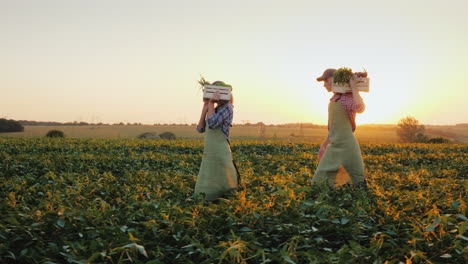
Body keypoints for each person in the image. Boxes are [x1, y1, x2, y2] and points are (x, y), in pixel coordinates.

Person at [312, 68, 367, 187]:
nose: (324, 85)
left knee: (356, 180)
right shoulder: (334, 99)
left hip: (347, 146)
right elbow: (333, 127)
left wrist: (354, 89)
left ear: (334, 79)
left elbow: (360, 108)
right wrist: (325, 143)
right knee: (320, 178)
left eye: (326, 81)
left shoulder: (346, 98)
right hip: (335, 144)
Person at [194, 81, 240, 201]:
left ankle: (226, 196)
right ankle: (206, 198)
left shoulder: (228, 107)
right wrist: (205, 109)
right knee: (209, 171)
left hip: (220, 148)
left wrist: (210, 104)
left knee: (223, 173)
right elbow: (200, 128)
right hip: (210, 149)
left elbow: (213, 124)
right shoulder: (216, 107)